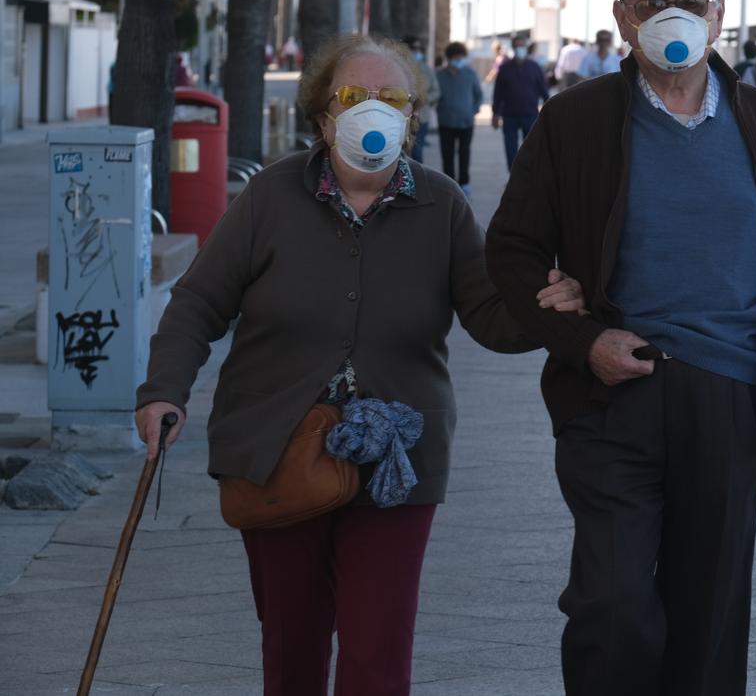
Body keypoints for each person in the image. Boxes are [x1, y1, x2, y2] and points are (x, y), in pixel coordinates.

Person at [133, 34, 586, 696]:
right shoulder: (269, 198)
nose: (373, 110)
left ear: (411, 115)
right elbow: (199, 303)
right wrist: (162, 391)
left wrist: (551, 307)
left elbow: (490, 315)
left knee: (378, 653)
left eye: (391, 98)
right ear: (322, 114)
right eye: (353, 97)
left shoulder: (442, 205)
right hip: (274, 452)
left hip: (398, 461)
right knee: (292, 646)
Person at [485, 0, 756, 696]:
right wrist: (582, 338)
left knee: (709, 612)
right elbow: (513, 248)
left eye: (692, 6)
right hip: (612, 396)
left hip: (733, 400)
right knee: (610, 602)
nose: (673, 20)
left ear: (719, 19)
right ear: (622, 19)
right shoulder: (576, 120)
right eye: (653, 7)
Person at [491, 34, 550, 169]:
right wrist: (495, 114)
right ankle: (513, 178)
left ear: (526, 47)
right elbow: (498, 93)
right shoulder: (505, 68)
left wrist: (550, 111)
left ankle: (528, 178)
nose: (519, 49)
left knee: (531, 149)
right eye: (517, 46)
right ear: (512, 47)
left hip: (530, 114)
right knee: (510, 148)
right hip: (509, 115)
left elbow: (544, 91)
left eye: (522, 46)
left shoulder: (534, 67)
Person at [436, 41, 483, 195]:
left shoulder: (470, 74)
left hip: (466, 122)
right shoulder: (440, 75)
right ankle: (448, 183)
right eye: (456, 57)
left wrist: (473, 110)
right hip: (446, 121)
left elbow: (479, 95)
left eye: (461, 57)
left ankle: (464, 182)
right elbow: (434, 96)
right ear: (449, 58)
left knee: (464, 152)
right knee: (447, 153)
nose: (459, 60)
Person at [403, 36, 440, 164]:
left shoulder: (426, 69)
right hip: (401, 116)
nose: (416, 51)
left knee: (417, 151)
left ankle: (418, 179)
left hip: (421, 117)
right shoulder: (397, 68)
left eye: (418, 48)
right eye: (413, 48)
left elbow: (436, 91)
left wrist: (424, 99)